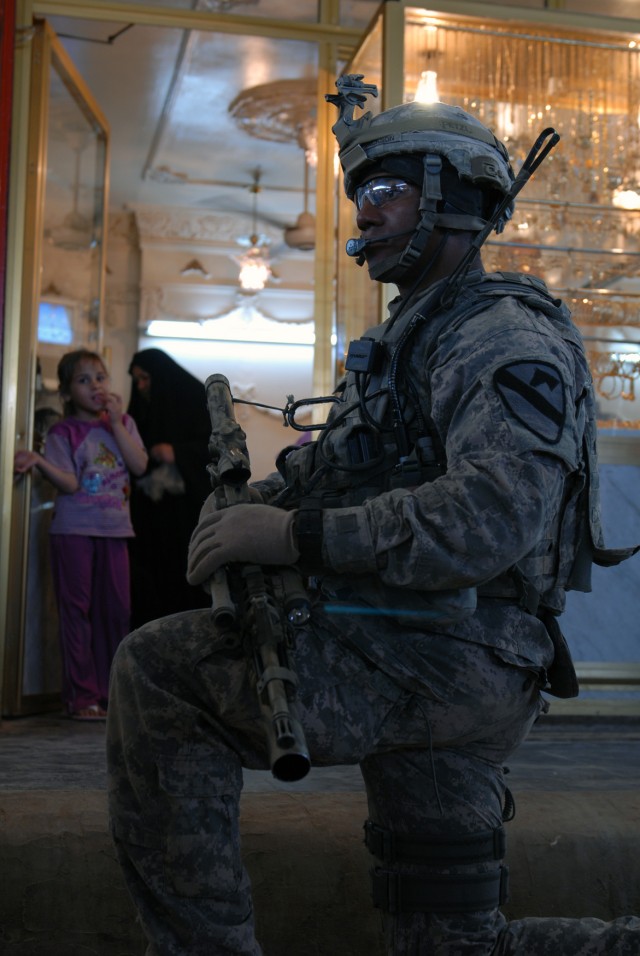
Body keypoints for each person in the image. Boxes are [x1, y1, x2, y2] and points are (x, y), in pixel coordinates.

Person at [106, 75, 639, 954]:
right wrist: (263, 501)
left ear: (453, 199)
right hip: (428, 639)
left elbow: (490, 518)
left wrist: (294, 536)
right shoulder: (409, 338)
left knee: (160, 674)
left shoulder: (498, 335)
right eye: (360, 195)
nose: (367, 214)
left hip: (455, 652)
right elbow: (350, 470)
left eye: (386, 191)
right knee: (446, 941)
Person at [14, 349, 148, 720]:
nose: (94, 386)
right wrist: (40, 461)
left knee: (116, 612)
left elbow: (138, 464)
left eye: (100, 377)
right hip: (73, 530)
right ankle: (82, 698)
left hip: (116, 530)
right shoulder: (63, 431)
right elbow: (71, 484)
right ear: (68, 392)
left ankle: (111, 693)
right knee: (77, 612)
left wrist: (118, 423)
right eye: (83, 380)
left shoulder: (122, 423)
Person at [126, 348, 213, 625]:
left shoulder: (196, 399)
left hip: (186, 517)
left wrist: (176, 452)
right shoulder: (139, 410)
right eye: (136, 380)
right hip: (149, 520)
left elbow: (217, 450)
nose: (140, 387)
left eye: (145, 379)